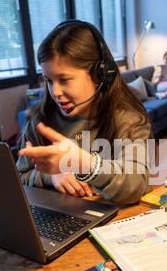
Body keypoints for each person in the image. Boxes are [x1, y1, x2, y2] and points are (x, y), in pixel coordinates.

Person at [17, 20, 152, 205]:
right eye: (48, 80)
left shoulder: (129, 120)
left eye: (64, 80)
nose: (55, 92)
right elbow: (19, 176)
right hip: (59, 220)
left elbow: (136, 185)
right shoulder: (40, 121)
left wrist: (84, 163)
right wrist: (52, 176)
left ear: (100, 75)